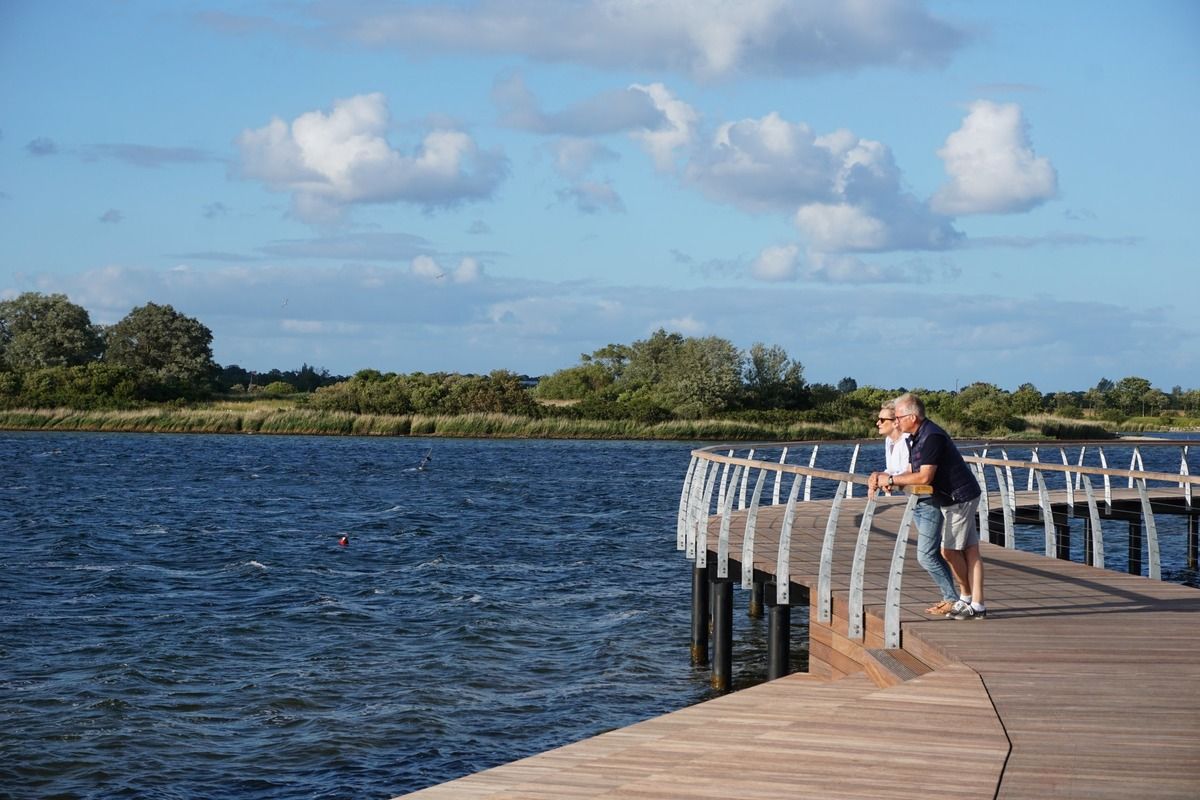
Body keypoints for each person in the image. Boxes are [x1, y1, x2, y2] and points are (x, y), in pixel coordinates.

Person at [868, 393, 986, 620]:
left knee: (949, 551)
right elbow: (910, 471)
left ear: (912, 417)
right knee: (970, 550)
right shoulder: (916, 436)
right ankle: (976, 604)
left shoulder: (931, 437)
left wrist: (891, 481)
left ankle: (964, 599)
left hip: (958, 497)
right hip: (956, 496)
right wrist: (885, 477)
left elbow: (924, 477)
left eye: (899, 417)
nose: (896, 421)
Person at [876, 403, 909, 488]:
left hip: (926, 495)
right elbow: (891, 470)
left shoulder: (908, 440)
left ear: (895, 422)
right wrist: (876, 476)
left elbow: (908, 473)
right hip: (910, 496)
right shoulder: (889, 440)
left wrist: (889, 480)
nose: (877, 423)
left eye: (882, 420)